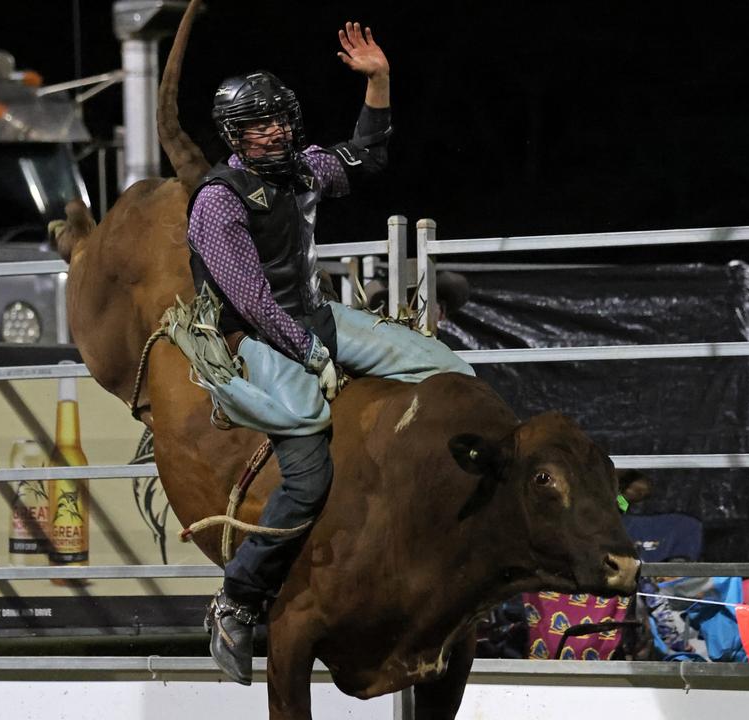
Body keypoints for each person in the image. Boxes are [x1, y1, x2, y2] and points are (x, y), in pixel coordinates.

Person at [184, 22, 474, 684]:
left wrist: (379, 81)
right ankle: (237, 599)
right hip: (250, 339)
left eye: (280, 122)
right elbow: (255, 301)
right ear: (234, 136)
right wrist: (310, 350)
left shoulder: (300, 169)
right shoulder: (217, 203)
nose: (275, 134)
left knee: (450, 371)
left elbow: (366, 156)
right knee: (310, 470)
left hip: (314, 315)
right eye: (258, 127)